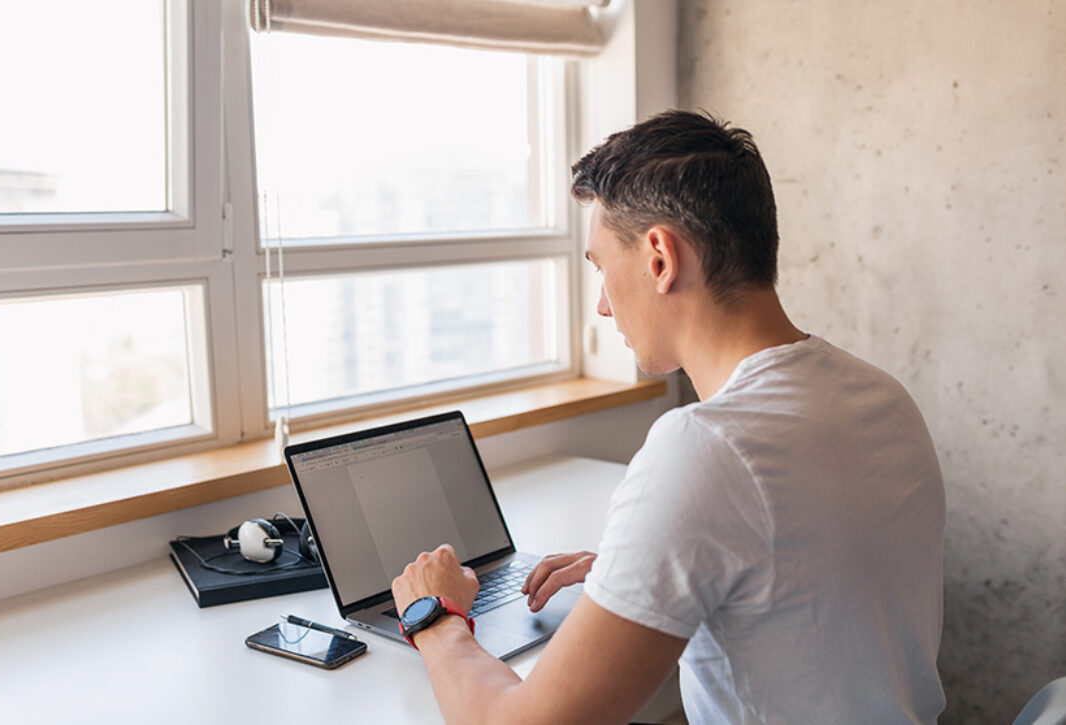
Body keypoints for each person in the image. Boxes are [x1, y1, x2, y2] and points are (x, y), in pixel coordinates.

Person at [391, 110, 946, 724]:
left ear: (660, 258)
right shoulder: (879, 394)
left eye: (602, 267)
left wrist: (435, 616)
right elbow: (820, 566)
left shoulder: (706, 448)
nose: (602, 304)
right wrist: (651, 571)